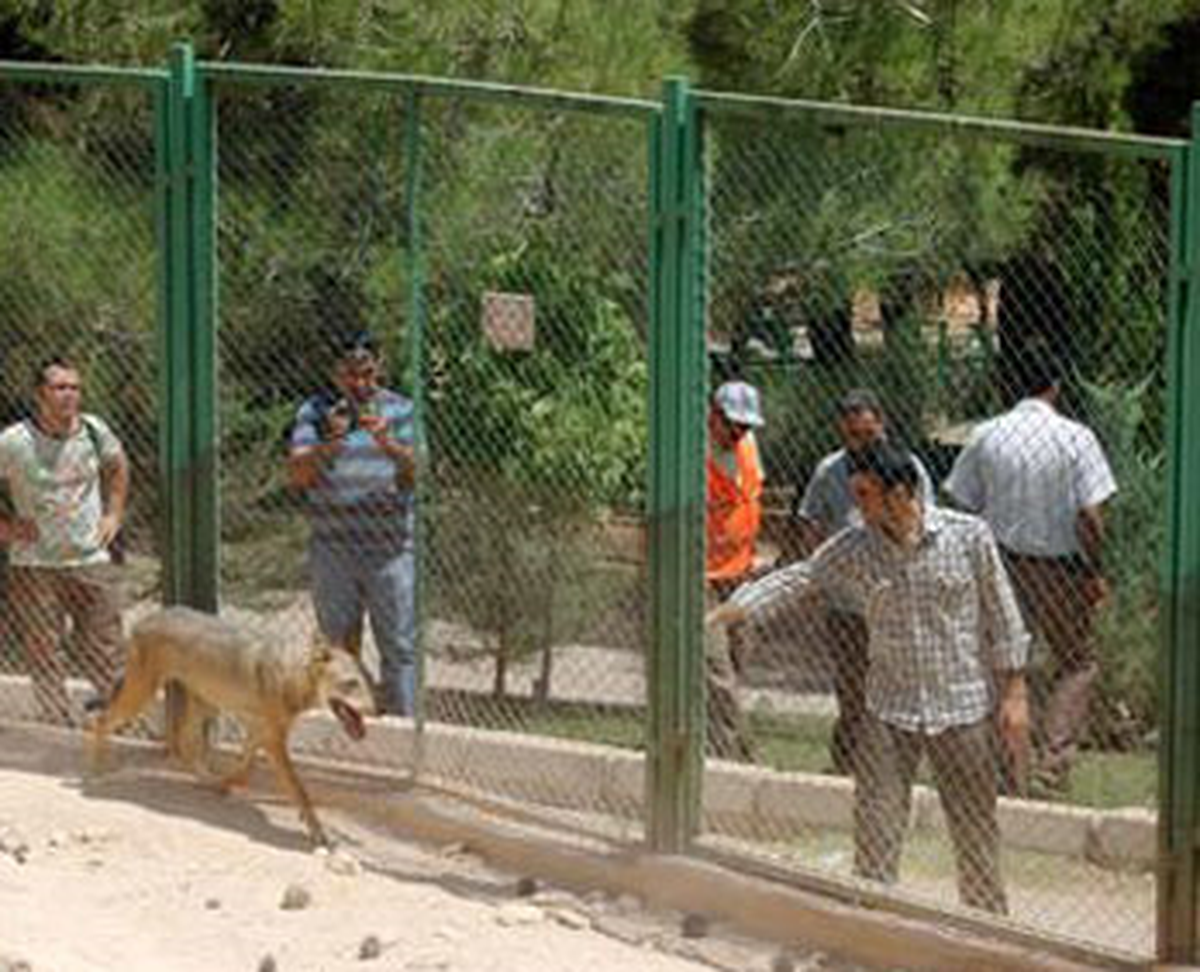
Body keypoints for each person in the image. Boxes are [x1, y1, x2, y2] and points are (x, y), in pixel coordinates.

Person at [710, 442, 1029, 914]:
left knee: (975, 833)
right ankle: (870, 937)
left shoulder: (969, 538)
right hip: (888, 711)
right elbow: (800, 578)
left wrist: (1015, 694)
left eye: (865, 494)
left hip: (962, 710)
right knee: (876, 835)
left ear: (901, 493)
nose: (856, 505)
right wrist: (728, 613)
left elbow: (1004, 617)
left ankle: (989, 941)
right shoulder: (857, 546)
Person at [944, 356, 1116, 793]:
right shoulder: (1076, 438)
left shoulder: (986, 435)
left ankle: (1003, 768)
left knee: (1003, 664)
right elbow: (1091, 514)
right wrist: (1095, 567)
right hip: (1060, 568)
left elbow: (962, 504)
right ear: (1055, 386)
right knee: (1077, 662)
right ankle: (1051, 765)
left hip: (998, 563)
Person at [790, 388, 935, 776]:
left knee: (900, 687)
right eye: (852, 436)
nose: (860, 443)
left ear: (883, 426)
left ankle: (893, 765)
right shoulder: (829, 471)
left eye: (868, 434)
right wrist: (818, 575)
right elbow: (810, 521)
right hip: (848, 603)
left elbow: (925, 524)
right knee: (854, 690)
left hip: (896, 600)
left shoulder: (909, 468)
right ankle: (847, 765)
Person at [288, 331, 418, 716]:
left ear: (378, 369)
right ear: (335, 374)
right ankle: (344, 721)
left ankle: (402, 729)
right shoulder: (314, 412)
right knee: (336, 644)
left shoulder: (401, 409)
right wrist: (331, 442)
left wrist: (388, 443)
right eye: (350, 375)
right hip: (334, 548)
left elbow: (418, 470)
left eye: (367, 374)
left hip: (390, 549)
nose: (360, 384)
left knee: (399, 646)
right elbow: (297, 473)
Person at [0, 356, 129, 724]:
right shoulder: (13, 442)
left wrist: (113, 514)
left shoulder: (93, 430)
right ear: (41, 394)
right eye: (60, 388)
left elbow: (118, 467)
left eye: (75, 387)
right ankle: (57, 725)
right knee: (44, 649)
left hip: (90, 559)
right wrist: (6, 528)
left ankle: (119, 721)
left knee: (106, 646)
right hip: (34, 564)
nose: (69, 395)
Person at [705, 379, 767, 761]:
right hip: (702, 577)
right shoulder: (693, 451)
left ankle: (716, 739)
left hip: (740, 573)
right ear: (714, 416)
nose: (739, 433)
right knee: (718, 671)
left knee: (737, 666)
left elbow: (751, 495)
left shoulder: (748, 446)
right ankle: (733, 755)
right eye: (733, 425)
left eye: (746, 426)